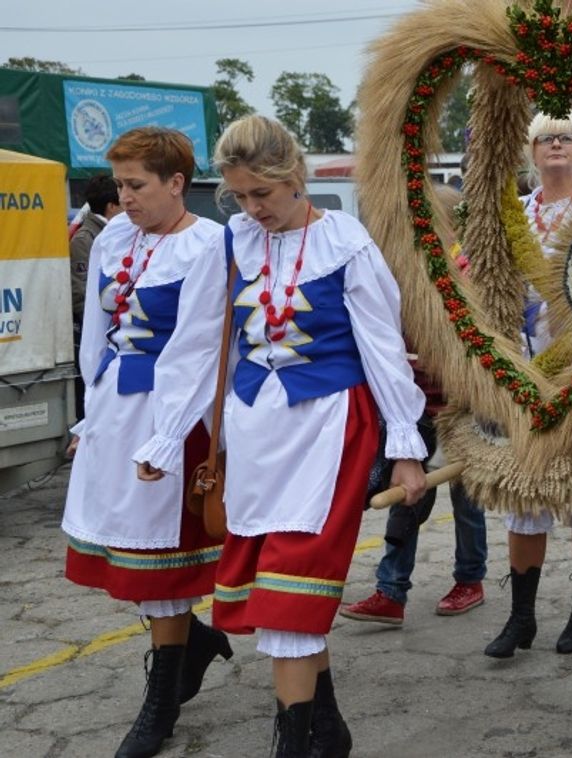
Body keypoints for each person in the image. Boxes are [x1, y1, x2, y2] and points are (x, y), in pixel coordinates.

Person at [135, 114, 428, 757]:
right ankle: (327, 729)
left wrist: (405, 447)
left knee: (293, 593)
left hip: (329, 428)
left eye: (261, 194)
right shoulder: (232, 242)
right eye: (239, 196)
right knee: (275, 587)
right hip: (255, 432)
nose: (251, 207)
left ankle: (292, 745)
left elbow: (382, 348)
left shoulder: (346, 243)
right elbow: (194, 347)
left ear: (296, 178)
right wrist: (165, 438)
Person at [62, 127, 231, 758]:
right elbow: (96, 333)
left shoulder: (210, 244)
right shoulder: (113, 237)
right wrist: (90, 418)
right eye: (121, 186)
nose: (123, 198)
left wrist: (172, 436)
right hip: (116, 407)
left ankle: (161, 704)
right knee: (131, 555)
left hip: (174, 417)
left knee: (160, 565)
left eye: (137, 185)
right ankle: (195, 646)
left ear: (176, 183)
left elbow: (208, 350)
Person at [484, 111, 572, 659]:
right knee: (525, 493)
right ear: (531, 151)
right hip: (524, 371)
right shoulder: (515, 213)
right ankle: (521, 618)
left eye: (566, 137)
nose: (556, 146)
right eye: (545, 139)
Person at [341, 185, 490, 625]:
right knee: (407, 497)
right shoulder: (396, 271)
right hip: (414, 405)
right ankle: (391, 591)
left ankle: (470, 578)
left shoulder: (467, 273)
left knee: (468, 499)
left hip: (461, 404)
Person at [68, 174, 122, 422]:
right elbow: (80, 293)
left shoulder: (119, 234)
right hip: (96, 334)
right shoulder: (86, 239)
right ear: (112, 206)